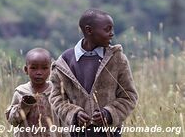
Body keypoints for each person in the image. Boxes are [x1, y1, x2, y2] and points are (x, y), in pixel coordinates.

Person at [49, 9, 138, 137]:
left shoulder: (117, 59)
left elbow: (129, 96)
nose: (112, 34)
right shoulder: (64, 62)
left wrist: (109, 114)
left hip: (110, 133)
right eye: (107, 30)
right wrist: (74, 114)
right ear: (89, 30)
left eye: (112, 29)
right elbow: (56, 98)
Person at [5, 48, 58, 137]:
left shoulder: (55, 91)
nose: (39, 72)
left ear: (50, 70)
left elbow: (63, 119)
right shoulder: (21, 92)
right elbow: (12, 121)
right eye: (33, 68)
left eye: (44, 68)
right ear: (26, 70)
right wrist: (24, 106)